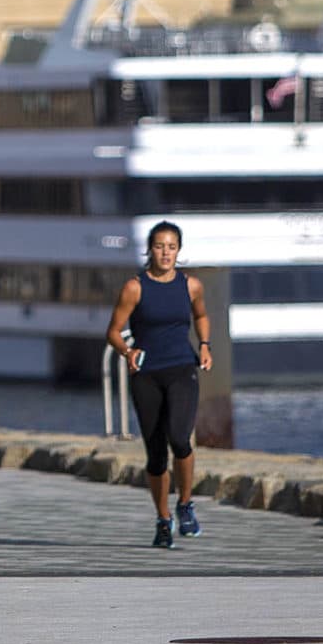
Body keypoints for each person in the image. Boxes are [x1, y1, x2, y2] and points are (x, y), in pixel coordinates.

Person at [105, 220, 214, 549]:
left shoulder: (191, 285)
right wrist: (127, 350)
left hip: (182, 368)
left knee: (180, 439)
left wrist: (205, 344)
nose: (165, 253)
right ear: (149, 249)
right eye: (159, 246)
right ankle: (163, 519)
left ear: (178, 251)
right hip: (147, 374)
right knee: (155, 455)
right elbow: (113, 331)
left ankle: (186, 504)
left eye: (171, 247)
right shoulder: (134, 288)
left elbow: (201, 315)